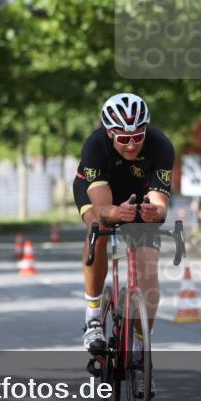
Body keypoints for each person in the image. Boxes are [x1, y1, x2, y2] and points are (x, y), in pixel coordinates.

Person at [72, 92, 175, 354]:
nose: (131, 145)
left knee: (149, 267)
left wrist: (156, 212)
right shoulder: (95, 146)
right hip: (100, 193)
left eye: (137, 137)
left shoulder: (161, 146)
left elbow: (160, 203)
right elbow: (103, 207)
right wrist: (117, 213)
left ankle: (141, 344)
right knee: (100, 227)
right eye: (124, 139)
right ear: (109, 133)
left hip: (138, 193)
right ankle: (93, 315)